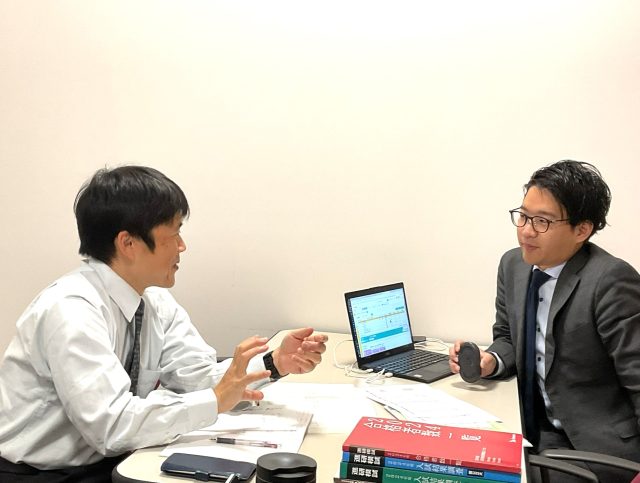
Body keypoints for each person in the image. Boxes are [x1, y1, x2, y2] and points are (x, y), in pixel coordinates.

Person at [0, 166, 328, 482]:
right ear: (128, 243)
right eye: (174, 234)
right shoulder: (71, 310)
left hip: (115, 458)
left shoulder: (154, 302)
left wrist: (274, 363)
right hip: (41, 474)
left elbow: (196, 379)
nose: (182, 246)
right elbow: (112, 426)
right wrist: (215, 400)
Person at [449, 160, 640, 482]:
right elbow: (508, 336)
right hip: (531, 431)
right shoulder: (513, 265)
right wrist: (490, 361)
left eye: (542, 221)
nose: (526, 230)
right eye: (523, 216)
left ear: (582, 230)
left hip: (595, 447)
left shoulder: (610, 280)